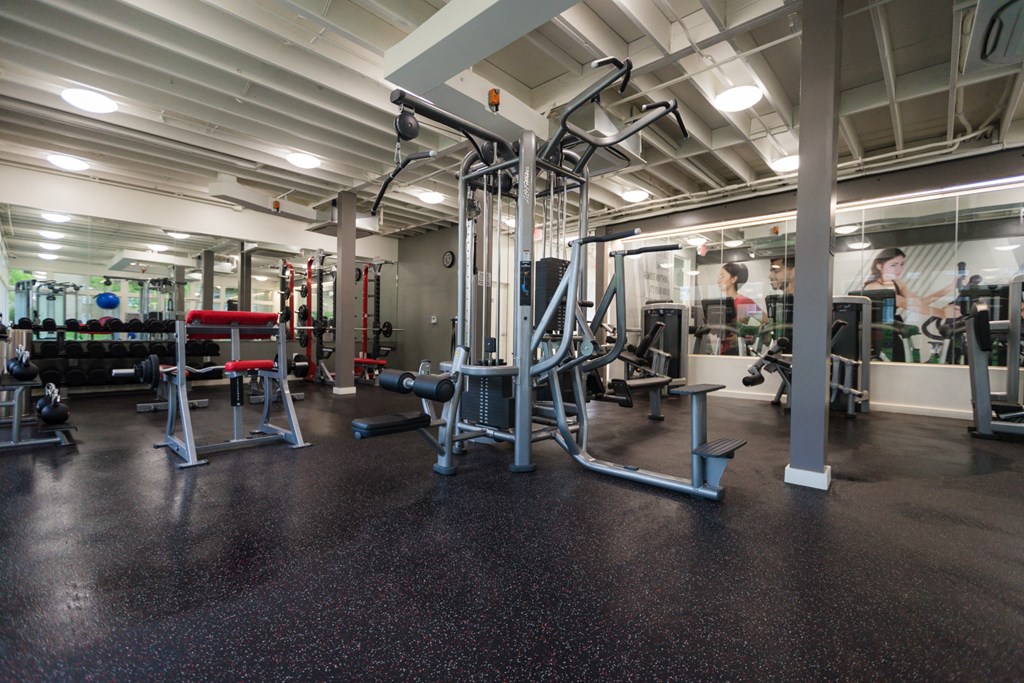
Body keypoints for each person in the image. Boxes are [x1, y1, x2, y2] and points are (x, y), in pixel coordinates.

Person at [862, 248, 955, 319]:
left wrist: (951, 287)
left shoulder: (897, 283)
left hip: (891, 327)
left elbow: (919, 302)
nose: (899, 269)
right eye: (893, 265)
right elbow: (904, 303)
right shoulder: (874, 287)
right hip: (872, 332)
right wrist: (943, 313)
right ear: (879, 266)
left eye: (901, 264)